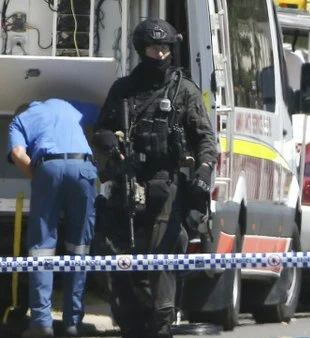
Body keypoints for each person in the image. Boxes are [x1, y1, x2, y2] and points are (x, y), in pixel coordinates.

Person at [92, 18, 217, 338]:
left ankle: (162, 321)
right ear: (141, 51)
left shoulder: (183, 90)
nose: (160, 55)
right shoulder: (123, 90)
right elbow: (103, 129)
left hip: (167, 183)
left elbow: (205, 138)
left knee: (162, 256)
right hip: (127, 183)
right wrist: (108, 143)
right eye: (154, 48)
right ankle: (132, 320)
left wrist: (204, 171)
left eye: (165, 48)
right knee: (118, 260)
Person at [6, 99, 99, 338]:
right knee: (79, 247)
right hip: (83, 167)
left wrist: (39, 176)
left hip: (48, 167)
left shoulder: (18, 120)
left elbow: (18, 153)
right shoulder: (65, 104)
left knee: (42, 249)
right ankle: (72, 324)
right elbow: (100, 112)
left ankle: (41, 325)